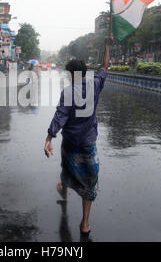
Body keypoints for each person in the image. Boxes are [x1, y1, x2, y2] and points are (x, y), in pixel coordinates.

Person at [44, 35, 113, 236]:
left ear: (73, 74)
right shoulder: (96, 84)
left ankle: (63, 186)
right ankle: (85, 223)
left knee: (67, 166)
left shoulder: (68, 92)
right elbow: (105, 66)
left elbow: (60, 117)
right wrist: (107, 46)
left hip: (71, 142)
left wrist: (49, 138)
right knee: (89, 181)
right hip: (88, 143)